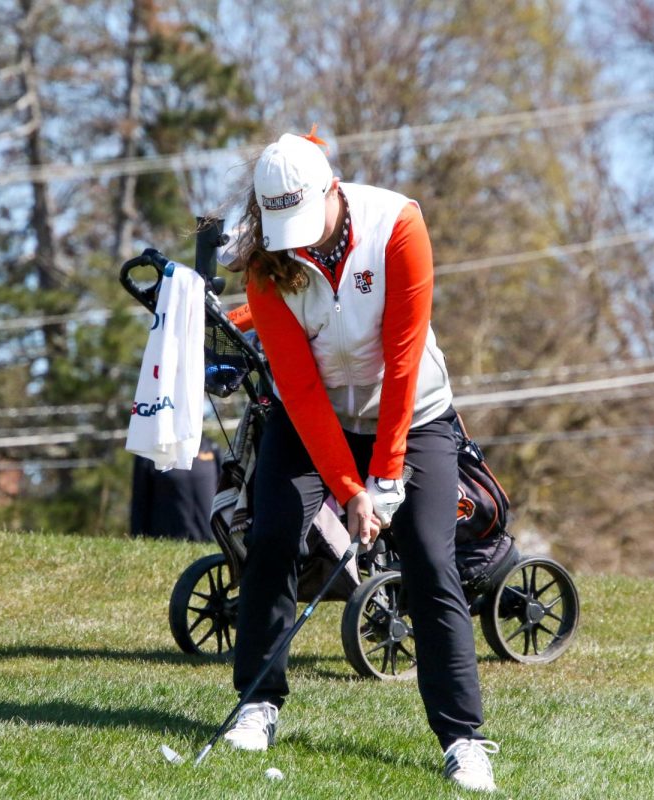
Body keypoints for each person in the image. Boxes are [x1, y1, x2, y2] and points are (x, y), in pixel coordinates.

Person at [221, 130, 499, 792]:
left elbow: (403, 360)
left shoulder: (397, 225)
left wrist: (387, 474)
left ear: (333, 191)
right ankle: (257, 705)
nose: (299, 239)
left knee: (430, 558)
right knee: (272, 535)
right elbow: (302, 388)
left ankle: (463, 739)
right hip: (313, 419)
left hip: (415, 414)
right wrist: (351, 489)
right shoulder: (265, 261)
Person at [129, 436, 221, 542]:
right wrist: (137, 539)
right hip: (168, 540)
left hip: (210, 542)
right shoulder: (149, 453)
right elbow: (139, 503)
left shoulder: (211, 448)